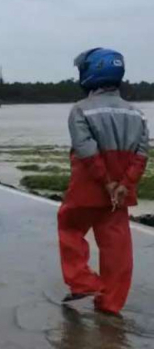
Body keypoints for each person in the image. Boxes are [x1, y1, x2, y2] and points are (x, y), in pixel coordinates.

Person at [58, 48, 149, 316]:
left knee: (70, 228)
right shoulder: (137, 114)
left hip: (87, 188)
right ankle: (110, 304)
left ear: (91, 73)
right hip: (120, 193)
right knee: (117, 248)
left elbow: (85, 149)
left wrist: (106, 181)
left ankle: (83, 282)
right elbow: (142, 154)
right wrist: (124, 184)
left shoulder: (80, 110)